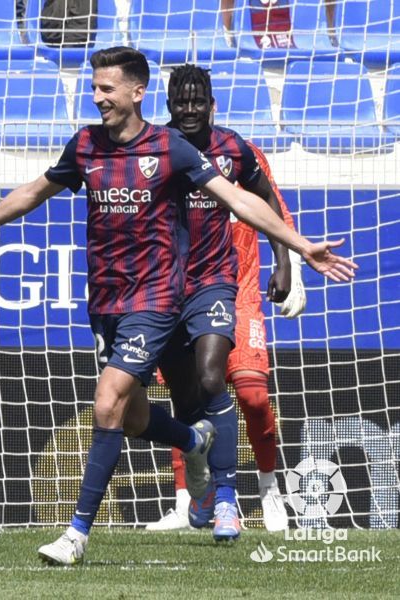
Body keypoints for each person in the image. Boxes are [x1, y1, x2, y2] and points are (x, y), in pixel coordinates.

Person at [0, 47, 356, 566]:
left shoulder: (169, 147)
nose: (97, 97)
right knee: (129, 417)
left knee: (111, 400)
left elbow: (240, 199)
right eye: (94, 88)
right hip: (105, 299)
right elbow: (35, 192)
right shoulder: (85, 145)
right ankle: (193, 439)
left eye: (107, 88)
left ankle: (78, 533)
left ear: (136, 92)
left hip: (155, 299)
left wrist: (299, 245)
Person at [142, 64, 299, 541]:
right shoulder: (155, 149)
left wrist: (288, 262)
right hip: (171, 288)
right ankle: (190, 499)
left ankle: (267, 487)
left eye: (199, 101)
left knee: (248, 393)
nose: (190, 108)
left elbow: (268, 202)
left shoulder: (237, 150)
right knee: (186, 393)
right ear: (167, 105)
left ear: (212, 105)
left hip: (238, 281)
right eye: (181, 101)